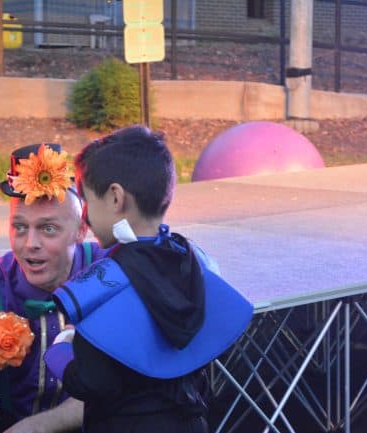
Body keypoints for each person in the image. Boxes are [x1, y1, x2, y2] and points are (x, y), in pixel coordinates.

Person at [44, 125, 254, 433]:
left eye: (88, 200)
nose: (85, 215)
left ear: (115, 198)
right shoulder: (192, 258)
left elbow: (91, 381)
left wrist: (59, 350)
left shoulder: (103, 282)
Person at [0, 143, 106, 433]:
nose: (29, 244)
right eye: (20, 227)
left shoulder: (108, 274)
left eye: (48, 228)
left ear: (81, 231)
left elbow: (128, 386)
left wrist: (36, 427)